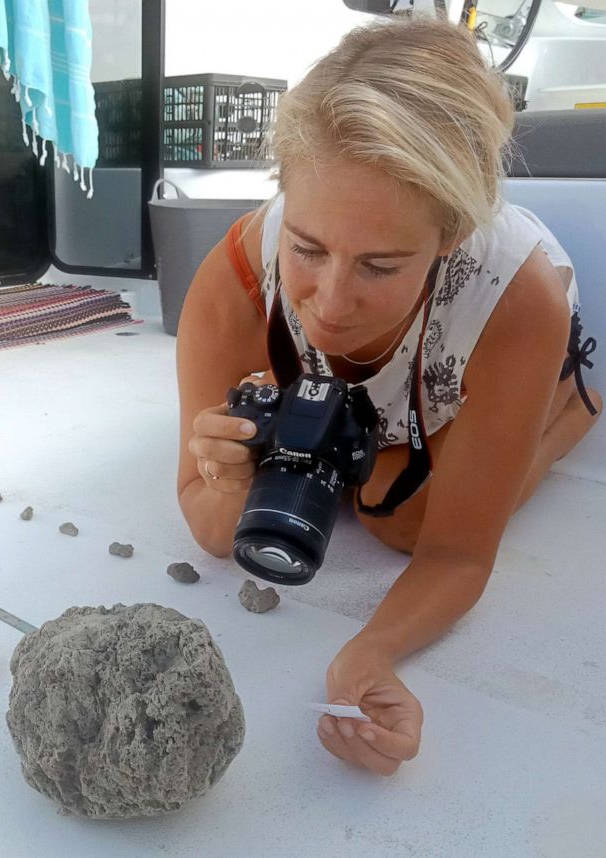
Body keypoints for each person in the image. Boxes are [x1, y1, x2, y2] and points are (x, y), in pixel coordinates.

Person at [175, 17, 601, 777]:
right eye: (306, 249)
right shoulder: (238, 274)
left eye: (380, 264)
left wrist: (370, 653)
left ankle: (569, 410)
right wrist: (231, 481)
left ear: (452, 232)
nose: (331, 304)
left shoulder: (517, 302)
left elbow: (459, 556)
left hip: (477, 347)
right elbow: (210, 526)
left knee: (400, 520)